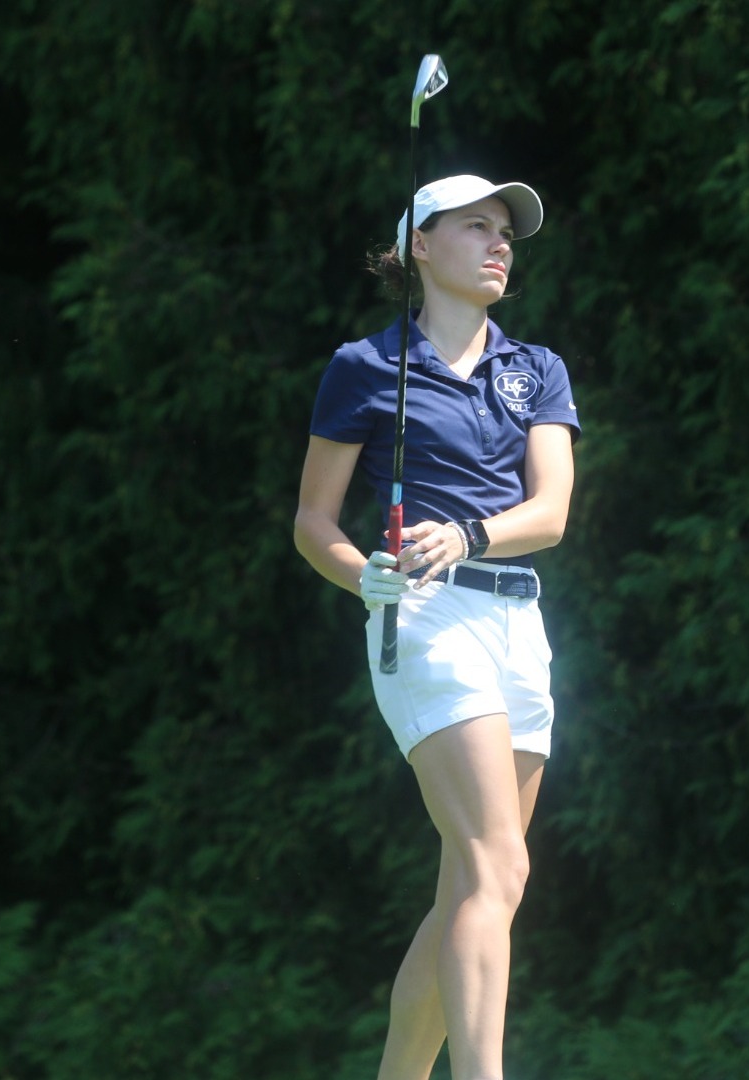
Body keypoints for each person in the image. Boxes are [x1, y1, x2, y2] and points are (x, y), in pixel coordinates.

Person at [293, 174, 579, 1080]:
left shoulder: (536, 369)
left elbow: (552, 513)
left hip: (518, 622)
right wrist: (360, 575)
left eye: (507, 233)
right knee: (497, 867)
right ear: (420, 245)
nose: (499, 244)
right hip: (425, 616)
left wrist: (470, 534)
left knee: (475, 884)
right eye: (477, 227)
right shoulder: (366, 366)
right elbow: (314, 523)